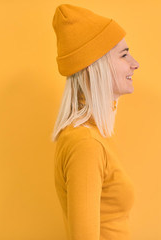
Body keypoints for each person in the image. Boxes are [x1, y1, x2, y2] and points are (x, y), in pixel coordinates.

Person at [51, 4, 139, 240]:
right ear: (95, 68)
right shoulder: (86, 144)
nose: (135, 63)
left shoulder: (94, 136)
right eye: (123, 55)